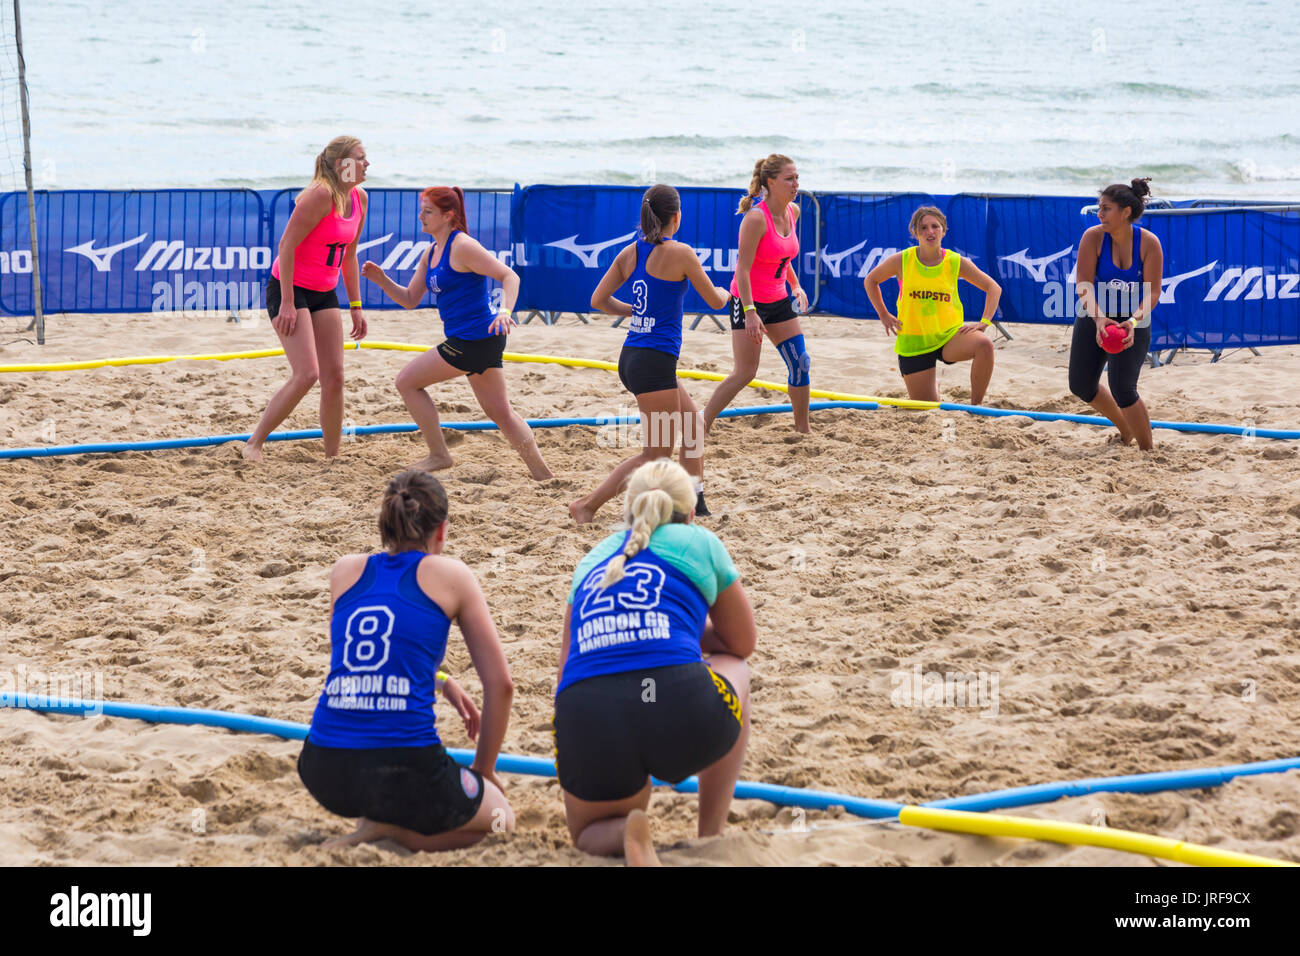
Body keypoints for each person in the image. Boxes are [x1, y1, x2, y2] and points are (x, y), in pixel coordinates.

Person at [298, 470, 516, 851]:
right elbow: (501, 685)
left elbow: (368, 658)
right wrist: (484, 770)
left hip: (323, 769)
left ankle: (374, 820)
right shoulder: (452, 574)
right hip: (404, 768)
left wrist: (443, 681)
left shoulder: (344, 571)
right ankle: (393, 832)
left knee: (378, 763)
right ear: (442, 531)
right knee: (501, 820)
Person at [556, 459, 755, 866]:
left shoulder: (591, 560)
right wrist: (677, 629)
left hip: (589, 716)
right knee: (736, 667)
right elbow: (743, 642)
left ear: (628, 510)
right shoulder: (698, 542)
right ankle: (709, 833)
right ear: (691, 514)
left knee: (588, 834)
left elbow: (565, 669)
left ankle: (626, 827)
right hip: (680, 708)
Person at [362, 187, 552, 479]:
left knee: (407, 382)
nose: (420, 216)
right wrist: (382, 279)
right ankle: (543, 475)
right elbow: (410, 299)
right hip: (476, 338)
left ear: (448, 215)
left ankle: (439, 455)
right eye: (421, 210)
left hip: (474, 337)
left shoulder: (462, 245)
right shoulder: (431, 252)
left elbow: (509, 276)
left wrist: (505, 311)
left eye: (428, 211)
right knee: (500, 413)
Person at [569, 184, 730, 524]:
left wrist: (634, 311)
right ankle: (587, 505)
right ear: (676, 216)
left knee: (694, 425)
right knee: (655, 456)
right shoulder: (681, 253)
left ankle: (694, 499)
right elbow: (715, 302)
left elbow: (597, 301)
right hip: (653, 362)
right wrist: (727, 292)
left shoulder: (631, 252)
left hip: (634, 356)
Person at [244, 136, 369, 461]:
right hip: (289, 288)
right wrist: (287, 302)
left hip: (323, 291)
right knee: (307, 374)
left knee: (335, 377)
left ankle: (331, 456)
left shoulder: (360, 199)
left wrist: (356, 306)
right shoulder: (319, 196)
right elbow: (286, 246)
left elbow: (349, 257)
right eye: (360, 158)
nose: (367, 164)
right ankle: (254, 443)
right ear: (343, 165)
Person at [701, 154, 813, 434]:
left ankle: (803, 430)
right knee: (746, 372)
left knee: (800, 363)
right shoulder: (755, 219)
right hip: (747, 301)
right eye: (789, 178)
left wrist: (796, 285)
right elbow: (742, 270)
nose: (796, 183)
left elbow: (782, 259)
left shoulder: (793, 212)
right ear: (771, 182)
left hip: (778, 299)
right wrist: (750, 312)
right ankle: (700, 422)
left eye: (797, 177)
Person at [863, 206, 1001, 404]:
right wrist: (883, 314)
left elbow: (993, 288)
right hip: (915, 342)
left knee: (984, 345)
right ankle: (933, 387)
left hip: (947, 336)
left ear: (943, 231)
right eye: (924, 227)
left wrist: (984, 322)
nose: (930, 232)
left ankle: (976, 406)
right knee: (926, 407)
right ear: (915, 233)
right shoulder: (903, 260)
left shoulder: (955, 261)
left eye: (935, 226)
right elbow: (870, 280)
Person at [1069, 178, 1163, 450]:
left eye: (1106, 208)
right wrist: (1099, 319)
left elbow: (1153, 292)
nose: (1099, 214)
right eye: (1099, 208)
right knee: (1081, 386)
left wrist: (1133, 322)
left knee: (1123, 389)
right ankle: (1125, 429)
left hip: (1133, 318)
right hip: (1096, 313)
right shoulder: (1093, 237)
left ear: (1126, 212)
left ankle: (1148, 451)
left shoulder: (1148, 243)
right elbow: (1084, 284)